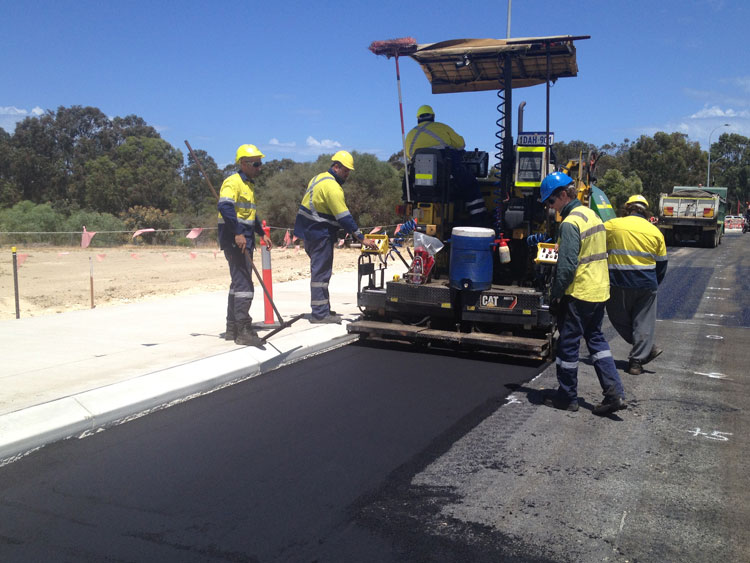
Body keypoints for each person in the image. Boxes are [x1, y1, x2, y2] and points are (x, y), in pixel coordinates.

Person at [540, 172, 627, 416]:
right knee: (597, 342)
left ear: (564, 195)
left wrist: (556, 295)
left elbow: (567, 266)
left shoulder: (570, 223)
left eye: (551, 201)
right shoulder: (592, 216)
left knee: (568, 345)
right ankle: (615, 393)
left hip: (579, 292)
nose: (550, 207)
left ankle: (567, 397)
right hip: (599, 291)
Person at [294, 151, 377, 323]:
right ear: (336, 166)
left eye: (348, 172)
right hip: (320, 234)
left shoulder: (318, 178)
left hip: (309, 233)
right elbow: (344, 217)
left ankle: (323, 308)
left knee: (321, 273)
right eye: (345, 171)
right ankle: (319, 314)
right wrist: (362, 238)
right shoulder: (332, 187)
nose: (347, 175)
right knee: (321, 275)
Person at [605, 194, 668, 375]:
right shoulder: (655, 232)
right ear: (646, 211)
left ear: (628, 208)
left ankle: (644, 351)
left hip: (618, 282)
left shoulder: (613, 225)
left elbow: (594, 237)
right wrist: (654, 283)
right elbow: (662, 264)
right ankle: (637, 362)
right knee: (644, 323)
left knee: (617, 317)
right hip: (646, 283)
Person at [217, 144, 272, 347]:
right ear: (243, 163)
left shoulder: (248, 185)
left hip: (245, 238)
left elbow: (250, 215)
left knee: (237, 284)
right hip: (235, 240)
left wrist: (261, 233)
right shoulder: (232, 182)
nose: (260, 167)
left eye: (260, 163)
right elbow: (225, 207)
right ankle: (243, 330)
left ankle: (232, 328)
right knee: (244, 286)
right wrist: (238, 233)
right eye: (256, 164)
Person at [405, 105, 487, 223]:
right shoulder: (442, 128)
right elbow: (460, 145)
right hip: (445, 178)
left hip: (417, 183)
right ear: (433, 117)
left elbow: (409, 155)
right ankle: (478, 219)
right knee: (471, 184)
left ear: (418, 118)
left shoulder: (410, 134)